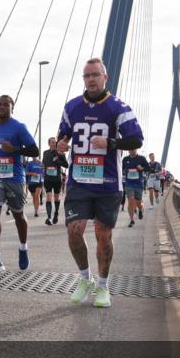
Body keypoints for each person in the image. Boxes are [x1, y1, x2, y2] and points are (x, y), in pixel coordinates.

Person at [57, 58, 143, 308]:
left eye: (95, 75)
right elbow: (64, 135)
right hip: (78, 181)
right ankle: (85, 279)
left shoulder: (119, 107)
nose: (91, 79)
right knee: (75, 230)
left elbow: (136, 140)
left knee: (103, 236)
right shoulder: (72, 106)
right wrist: (62, 145)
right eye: (87, 76)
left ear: (105, 77)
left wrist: (111, 143)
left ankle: (103, 286)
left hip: (108, 183)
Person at [0, 95, 40, 274]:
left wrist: (14, 149)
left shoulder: (19, 127)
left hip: (14, 178)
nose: (2, 107)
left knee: (18, 215)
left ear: (12, 108)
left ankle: (23, 247)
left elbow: (34, 150)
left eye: (6, 105)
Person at [41, 137, 68, 225]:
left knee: (56, 197)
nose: (54, 143)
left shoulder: (60, 153)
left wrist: (58, 161)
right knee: (48, 197)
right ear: (49, 143)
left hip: (57, 179)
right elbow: (44, 164)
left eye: (55, 142)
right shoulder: (45, 153)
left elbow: (66, 165)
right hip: (48, 178)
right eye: (52, 142)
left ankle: (56, 213)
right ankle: (48, 217)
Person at [121, 149, 150, 227]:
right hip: (128, 184)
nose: (131, 150)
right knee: (130, 200)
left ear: (136, 149)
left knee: (138, 203)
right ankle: (131, 220)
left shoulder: (141, 158)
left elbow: (148, 168)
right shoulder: (125, 159)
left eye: (133, 148)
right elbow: (120, 169)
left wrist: (142, 168)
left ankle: (140, 210)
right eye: (130, 149)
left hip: (138, 184)